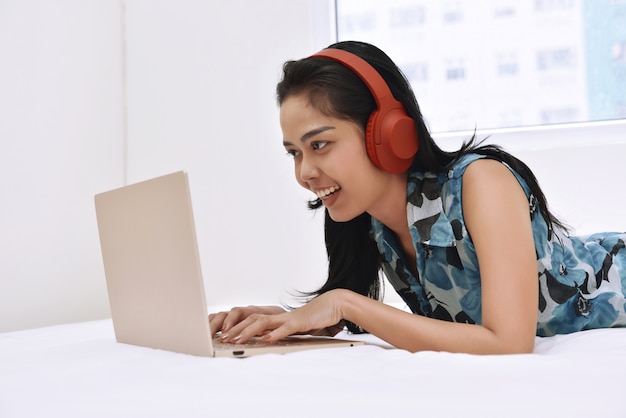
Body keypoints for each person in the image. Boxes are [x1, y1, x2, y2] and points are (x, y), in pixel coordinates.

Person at [209, 41, 626, 354]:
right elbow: (349, 312)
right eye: (294, 153)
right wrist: (283, 322)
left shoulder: (482, 182)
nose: (304, 173)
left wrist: (342, 304)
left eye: (319, 146)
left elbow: (508, 343)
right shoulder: (367, 220)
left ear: (386, 133)